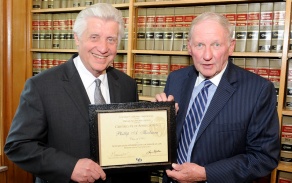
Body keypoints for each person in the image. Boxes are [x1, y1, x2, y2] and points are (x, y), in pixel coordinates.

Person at [4, 3, 150, 183]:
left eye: (111, 39)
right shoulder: (41, 86)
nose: (103, 48)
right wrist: (69, 167)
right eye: (94, 37)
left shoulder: (127, 85)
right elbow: (18, 146)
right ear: (77, 38)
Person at [155, 12, 280, 183]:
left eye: (216, 45)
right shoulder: (175, 79)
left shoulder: (258, 90)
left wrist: (206, 173)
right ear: (189, 47)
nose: (207, 56)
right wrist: (160, 120)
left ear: (231, 46)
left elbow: (264, 157)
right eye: (199, 45)